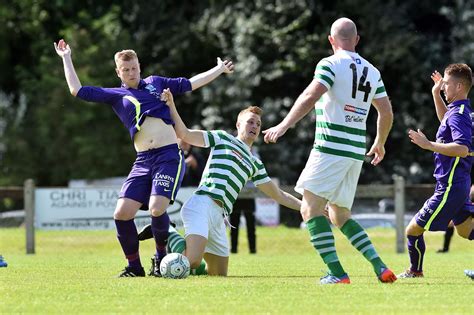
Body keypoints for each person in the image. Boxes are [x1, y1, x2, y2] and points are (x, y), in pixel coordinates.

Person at [54, 39, 234, 277]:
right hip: (143, 161)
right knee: (121, 213)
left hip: (168, 155)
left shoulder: (156, 83)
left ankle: (160, 259)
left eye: (134, 68)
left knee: (156, 209)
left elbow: (191, 83)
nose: (131, 72)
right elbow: (77, 90)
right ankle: (134, 267)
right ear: (118, 72)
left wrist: (219, 70)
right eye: (126, 69)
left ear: (140, 66)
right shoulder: (115, 95)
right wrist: (66, 57)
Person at [262, 17, 396, 284]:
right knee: (339, 214)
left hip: (330, 147)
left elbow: (310, 96)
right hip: (355, 151)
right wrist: (380, 141)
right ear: (356, 40)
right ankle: (380, 266)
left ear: (331, 40)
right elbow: (386, 111)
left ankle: (337, 274)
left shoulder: (330, 64)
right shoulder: (372, 71)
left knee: (310, 210)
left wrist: (284, 125)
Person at [161, 88, 302, 276]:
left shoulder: (255, 163)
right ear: (238, 124)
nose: (254, 126)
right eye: (250, 122)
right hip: (201, 205)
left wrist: (306, 207)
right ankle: (169, 232)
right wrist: (171, 105)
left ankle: (192, 265)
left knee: (218, 275)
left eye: (258, 124)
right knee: (192, 260)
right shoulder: (222, 138)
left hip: (220, 216)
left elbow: (278, 194)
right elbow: (185, 134)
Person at [398, 63, 474, 278]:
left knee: (412, 230)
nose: (444, 87)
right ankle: (415, 270)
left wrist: (428, 144)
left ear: (459, 86)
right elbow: (446, 121)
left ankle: (415, 271)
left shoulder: (458, 114)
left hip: (451, 186)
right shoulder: (460, 112)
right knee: (465, 230)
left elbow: (461, 148)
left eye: (447, 84)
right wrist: (435, 93)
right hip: (458, 183)